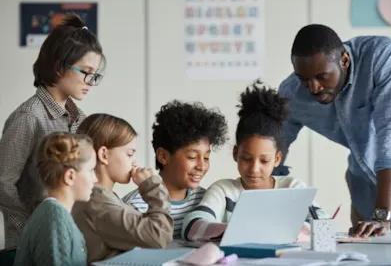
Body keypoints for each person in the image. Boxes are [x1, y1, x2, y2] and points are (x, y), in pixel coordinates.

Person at [276, 24, 391, 237]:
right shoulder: (292, 93)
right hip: (367, 191)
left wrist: (382, 217)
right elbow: (272, 149)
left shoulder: (381, 57)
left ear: (344, 60)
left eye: (322, 77)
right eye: (304, 79)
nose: (314, 88)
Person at [0, 13, 105, 248]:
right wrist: (45, 215)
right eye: (85, 72)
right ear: (59, 67)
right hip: (30, 244)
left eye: (95, 74)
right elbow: (3, 183)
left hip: (70, 239)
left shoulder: (80, 120)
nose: (90, 81)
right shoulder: (29, 118)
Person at [182, 80, 328, 242]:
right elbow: (192, 226)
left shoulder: (293, 189)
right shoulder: (224, 191)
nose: (254, 169)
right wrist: (239, 230)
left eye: (264, 161)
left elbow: (324, 226)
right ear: (235, 153)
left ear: (277, 159)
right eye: (246, 158)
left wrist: (268, 230)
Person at [71, 113, 173, 264]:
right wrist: (152, 186)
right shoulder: (97, 203)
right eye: (129, 154)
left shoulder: (101, 197)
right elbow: (158, 236)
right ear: (104, 154)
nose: (134, 162)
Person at [123, 100, 229, 240]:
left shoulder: (207, 200)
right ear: (163, 156)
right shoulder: (135, 206)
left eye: (206, 158)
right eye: (192, 157)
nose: (201, 166)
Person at [14, 132, 97, 266]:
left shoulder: (54, 213)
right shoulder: (55, 219)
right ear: (70, 176)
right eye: (91, 170)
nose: (95, 179)